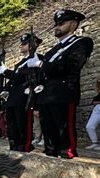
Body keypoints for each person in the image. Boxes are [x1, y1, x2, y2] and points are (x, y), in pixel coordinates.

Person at [26, 9, 94, 158]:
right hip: (46, 96)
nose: (57, 27)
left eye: (62, 23)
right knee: (49, 138)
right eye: (56, 24)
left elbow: (73, 65)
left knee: (65, 138)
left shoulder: (82, 42)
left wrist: (41, 65)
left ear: (74, 24)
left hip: (64, 93)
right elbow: (42, 76)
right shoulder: (52, 51)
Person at [0, 33, 43, 152]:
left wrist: (6, 72)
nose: (21, 46)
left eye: (25, 44)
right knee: (12, 127)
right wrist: (6, 89)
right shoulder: (20, 63)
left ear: (33, 44)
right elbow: (14, 78)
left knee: (23, 125)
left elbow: (23, 78)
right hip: (13, 98)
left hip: (24, 97)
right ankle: (14, 147)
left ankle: (25, 148)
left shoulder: (36, 58)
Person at [85, 80, 100, 150]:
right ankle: (95, 143)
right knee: (89, 126)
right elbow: (93, 102)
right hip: (97, 109)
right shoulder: (97, 95)